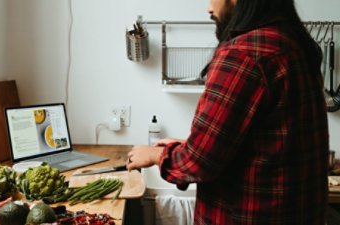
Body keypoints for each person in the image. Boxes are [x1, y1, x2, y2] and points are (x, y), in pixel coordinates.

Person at [126, 0, 329, 224]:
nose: (208, 8)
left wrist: (155, 155)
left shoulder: (243, 54)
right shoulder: (294, 45)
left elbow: (200, 161)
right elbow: (268, 147)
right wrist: (187, 145)